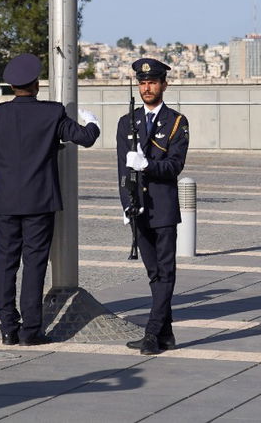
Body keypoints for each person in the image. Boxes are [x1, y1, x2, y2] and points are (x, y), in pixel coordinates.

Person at [0, 53, 100, 345]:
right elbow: (85, 137)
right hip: (39, 202)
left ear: (12, 86)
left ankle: (8, 327)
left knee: (4, 265)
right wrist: (92, 123)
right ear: (36, 84)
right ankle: (31, 330)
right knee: (34, 265)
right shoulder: (52, 113)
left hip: (4, 202)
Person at [117, 57, 188, 355]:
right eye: (143, 83)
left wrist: (148, 165)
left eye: (152, 82)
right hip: (139, 208)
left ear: (164, 85)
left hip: (163, 208)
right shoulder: (127, 122)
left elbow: (174, 166)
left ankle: (151, 334)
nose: (147, 87)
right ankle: (166, 334)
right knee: (153, 274)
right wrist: (125, 206)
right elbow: (121, 171)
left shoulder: (176, 122)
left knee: (165, 273)